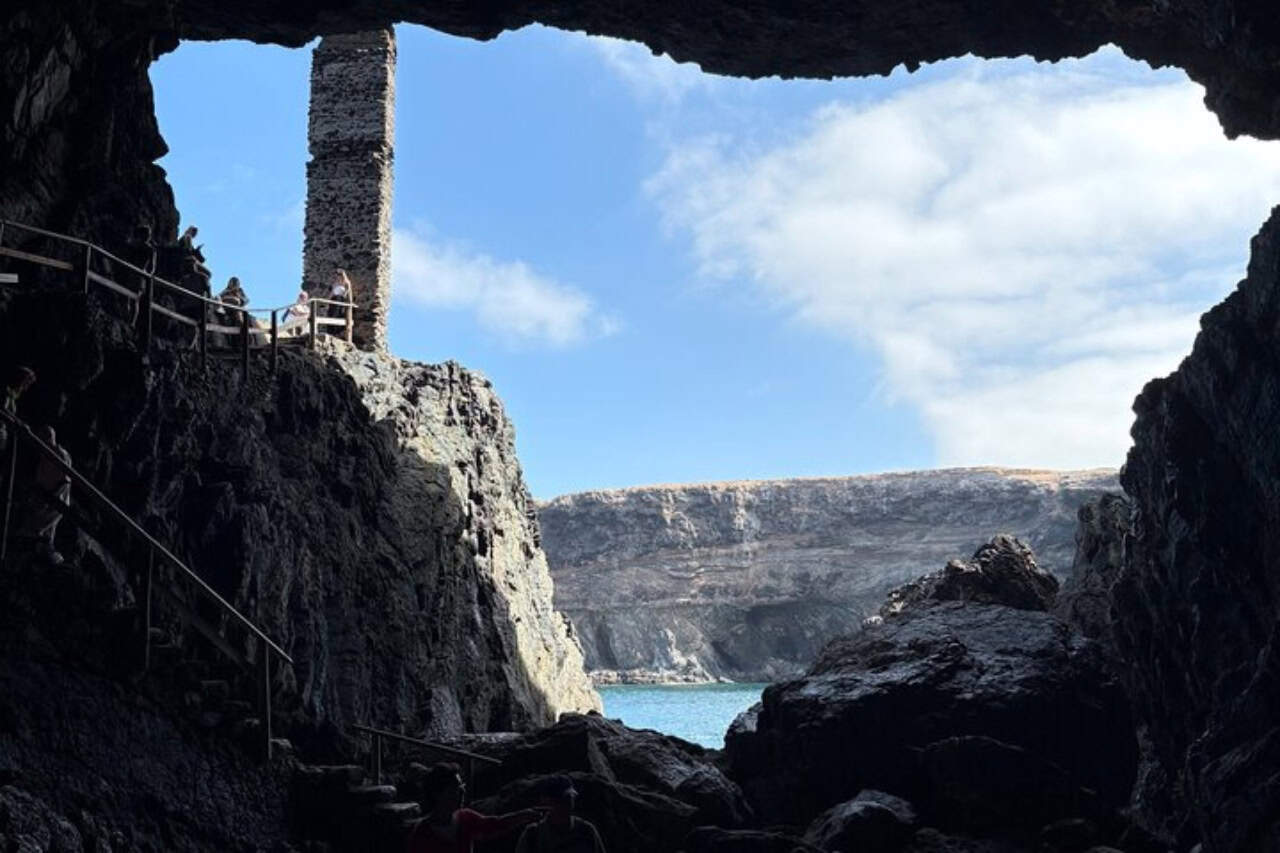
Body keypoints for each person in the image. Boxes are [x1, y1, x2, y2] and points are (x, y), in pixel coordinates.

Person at [405, 762, 541, 853]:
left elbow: (494, 824)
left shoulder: (465, 817)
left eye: (461, 788)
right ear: (437, 794)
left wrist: (524, 815)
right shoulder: (422, 834)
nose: (462, 793)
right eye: (454, 789)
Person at [515, 775, 606, 853]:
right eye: (559, 799)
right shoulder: (533, 835)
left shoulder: (586, 831)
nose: (566, 803)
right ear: (545, 801)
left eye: (569, 797)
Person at [22, 425, 72, 566]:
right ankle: (50, 559)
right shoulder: (46, 454)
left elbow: (64, 480)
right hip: (51, 499)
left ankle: (48, 559)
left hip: (55, 501)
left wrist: (51, 497)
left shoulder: (59, 455)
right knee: (47, 532)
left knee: (38, 529)